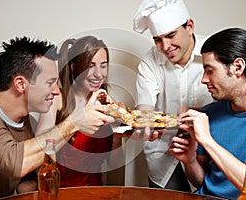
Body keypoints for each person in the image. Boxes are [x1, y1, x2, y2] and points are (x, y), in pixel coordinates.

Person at [0, 36, 116, 200]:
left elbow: (27, 184)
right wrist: (75, 122)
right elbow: (13, 162)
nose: (56, 91)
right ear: (20, 84)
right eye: (50, 82)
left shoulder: (26, 124)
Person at [36, 35, 157, 187]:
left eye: (103, 65)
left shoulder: (107, 104)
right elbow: (39, 148)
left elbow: (114, 164)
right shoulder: (56, 98)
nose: (98, 74)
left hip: (96, 191)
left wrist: (117, 136)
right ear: (74, 66)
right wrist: (77, 122)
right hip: (62, 191)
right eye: (90, 65)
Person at [132, 0, 213, 191]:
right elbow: (145, 106)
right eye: (158, 39)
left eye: (171, 35)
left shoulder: (214, 53)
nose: (165, 46)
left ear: (190, 26)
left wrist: (193, 112)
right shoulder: (150, 61)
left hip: (207, 155)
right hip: (162, 157)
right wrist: (141, 122)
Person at [169, 27, 246, 200]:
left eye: (210, 70)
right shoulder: (210, 114)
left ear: (237, 67)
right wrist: (190, 160)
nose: (204, 79)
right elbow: (202, 182)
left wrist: (207, 141)